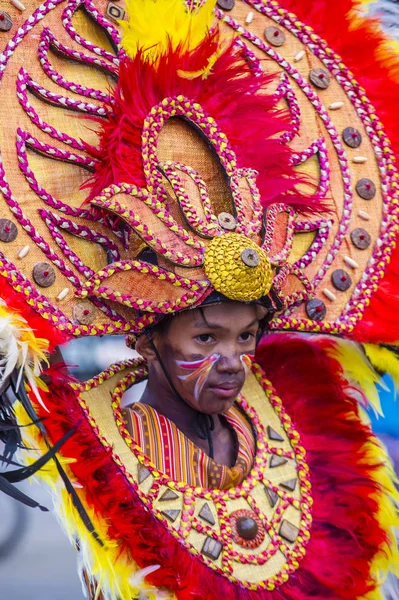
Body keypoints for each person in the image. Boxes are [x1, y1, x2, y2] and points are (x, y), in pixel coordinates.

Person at [0, 0, 398, 599]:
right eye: (206, 339)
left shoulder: (297, 421)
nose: (234, 360)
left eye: (245, 337)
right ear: (147, 339)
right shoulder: (102, 445)